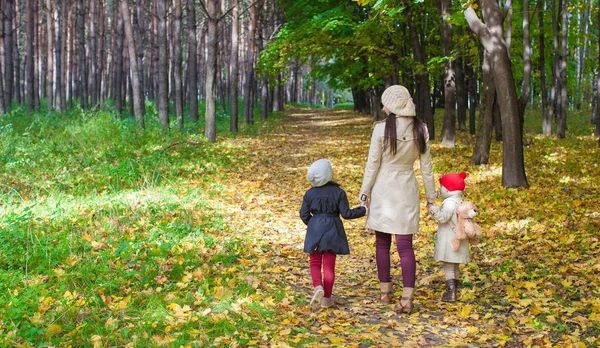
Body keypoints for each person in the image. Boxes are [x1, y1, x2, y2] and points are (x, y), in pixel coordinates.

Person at [358, 85, 436, 314]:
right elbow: (427, 168)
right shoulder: (421, 129)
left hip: (383, 189)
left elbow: (372, 165)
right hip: (407, 190)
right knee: (405, 247)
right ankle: (408, 298)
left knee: (382, 243)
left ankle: (385, 293)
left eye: (386, 103)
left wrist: (365, 195)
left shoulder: (381, 130)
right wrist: (431, 197)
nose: (383, 107)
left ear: (394, 104)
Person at [300, 159, 367, 310]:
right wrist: (364, 210)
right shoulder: (338, 192)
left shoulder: (309, 194)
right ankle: (326, 299)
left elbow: (303, 214)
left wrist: (313, 224)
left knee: (314, 262)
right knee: (329, 265)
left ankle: (318, 287)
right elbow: (347, 214)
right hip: (333, 230)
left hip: (315, 229)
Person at [429, 172, 470, 302]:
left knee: (448, 266)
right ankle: (455, 289)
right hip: (460, 239)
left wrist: (433, 209)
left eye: (441, 187)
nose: (440, 190)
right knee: (455, 265)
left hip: (449, 240)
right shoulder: (462, 202)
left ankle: (450, 292)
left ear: (448, 188)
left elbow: (443, 217)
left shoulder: (449, 203)